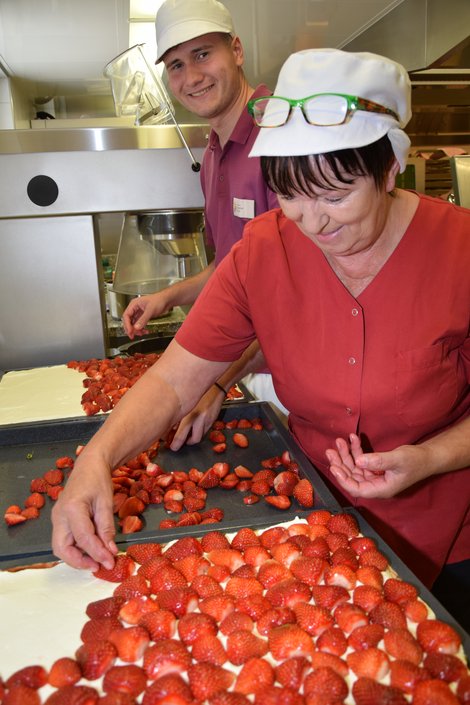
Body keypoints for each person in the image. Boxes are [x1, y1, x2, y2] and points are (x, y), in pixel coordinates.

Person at [52, 48, 470, 630]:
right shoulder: (265, 250)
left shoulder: (461, 250)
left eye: (335, 195)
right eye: (292, 195)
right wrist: (96, 458)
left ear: (389, 169)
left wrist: (430, 457)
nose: (313, 221)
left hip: (449, 540)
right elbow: (176, 379)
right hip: (314, 524)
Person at [122, 0, 284, 441]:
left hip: (288, 372)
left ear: (236, 50)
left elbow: (296, 291)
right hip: (238, 367)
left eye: (201, 55)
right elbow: (229, 267)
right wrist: (168, 298)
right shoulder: (212, 153)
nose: (190, 77)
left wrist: (215, 382)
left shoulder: (281, 137)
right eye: (175, 64)